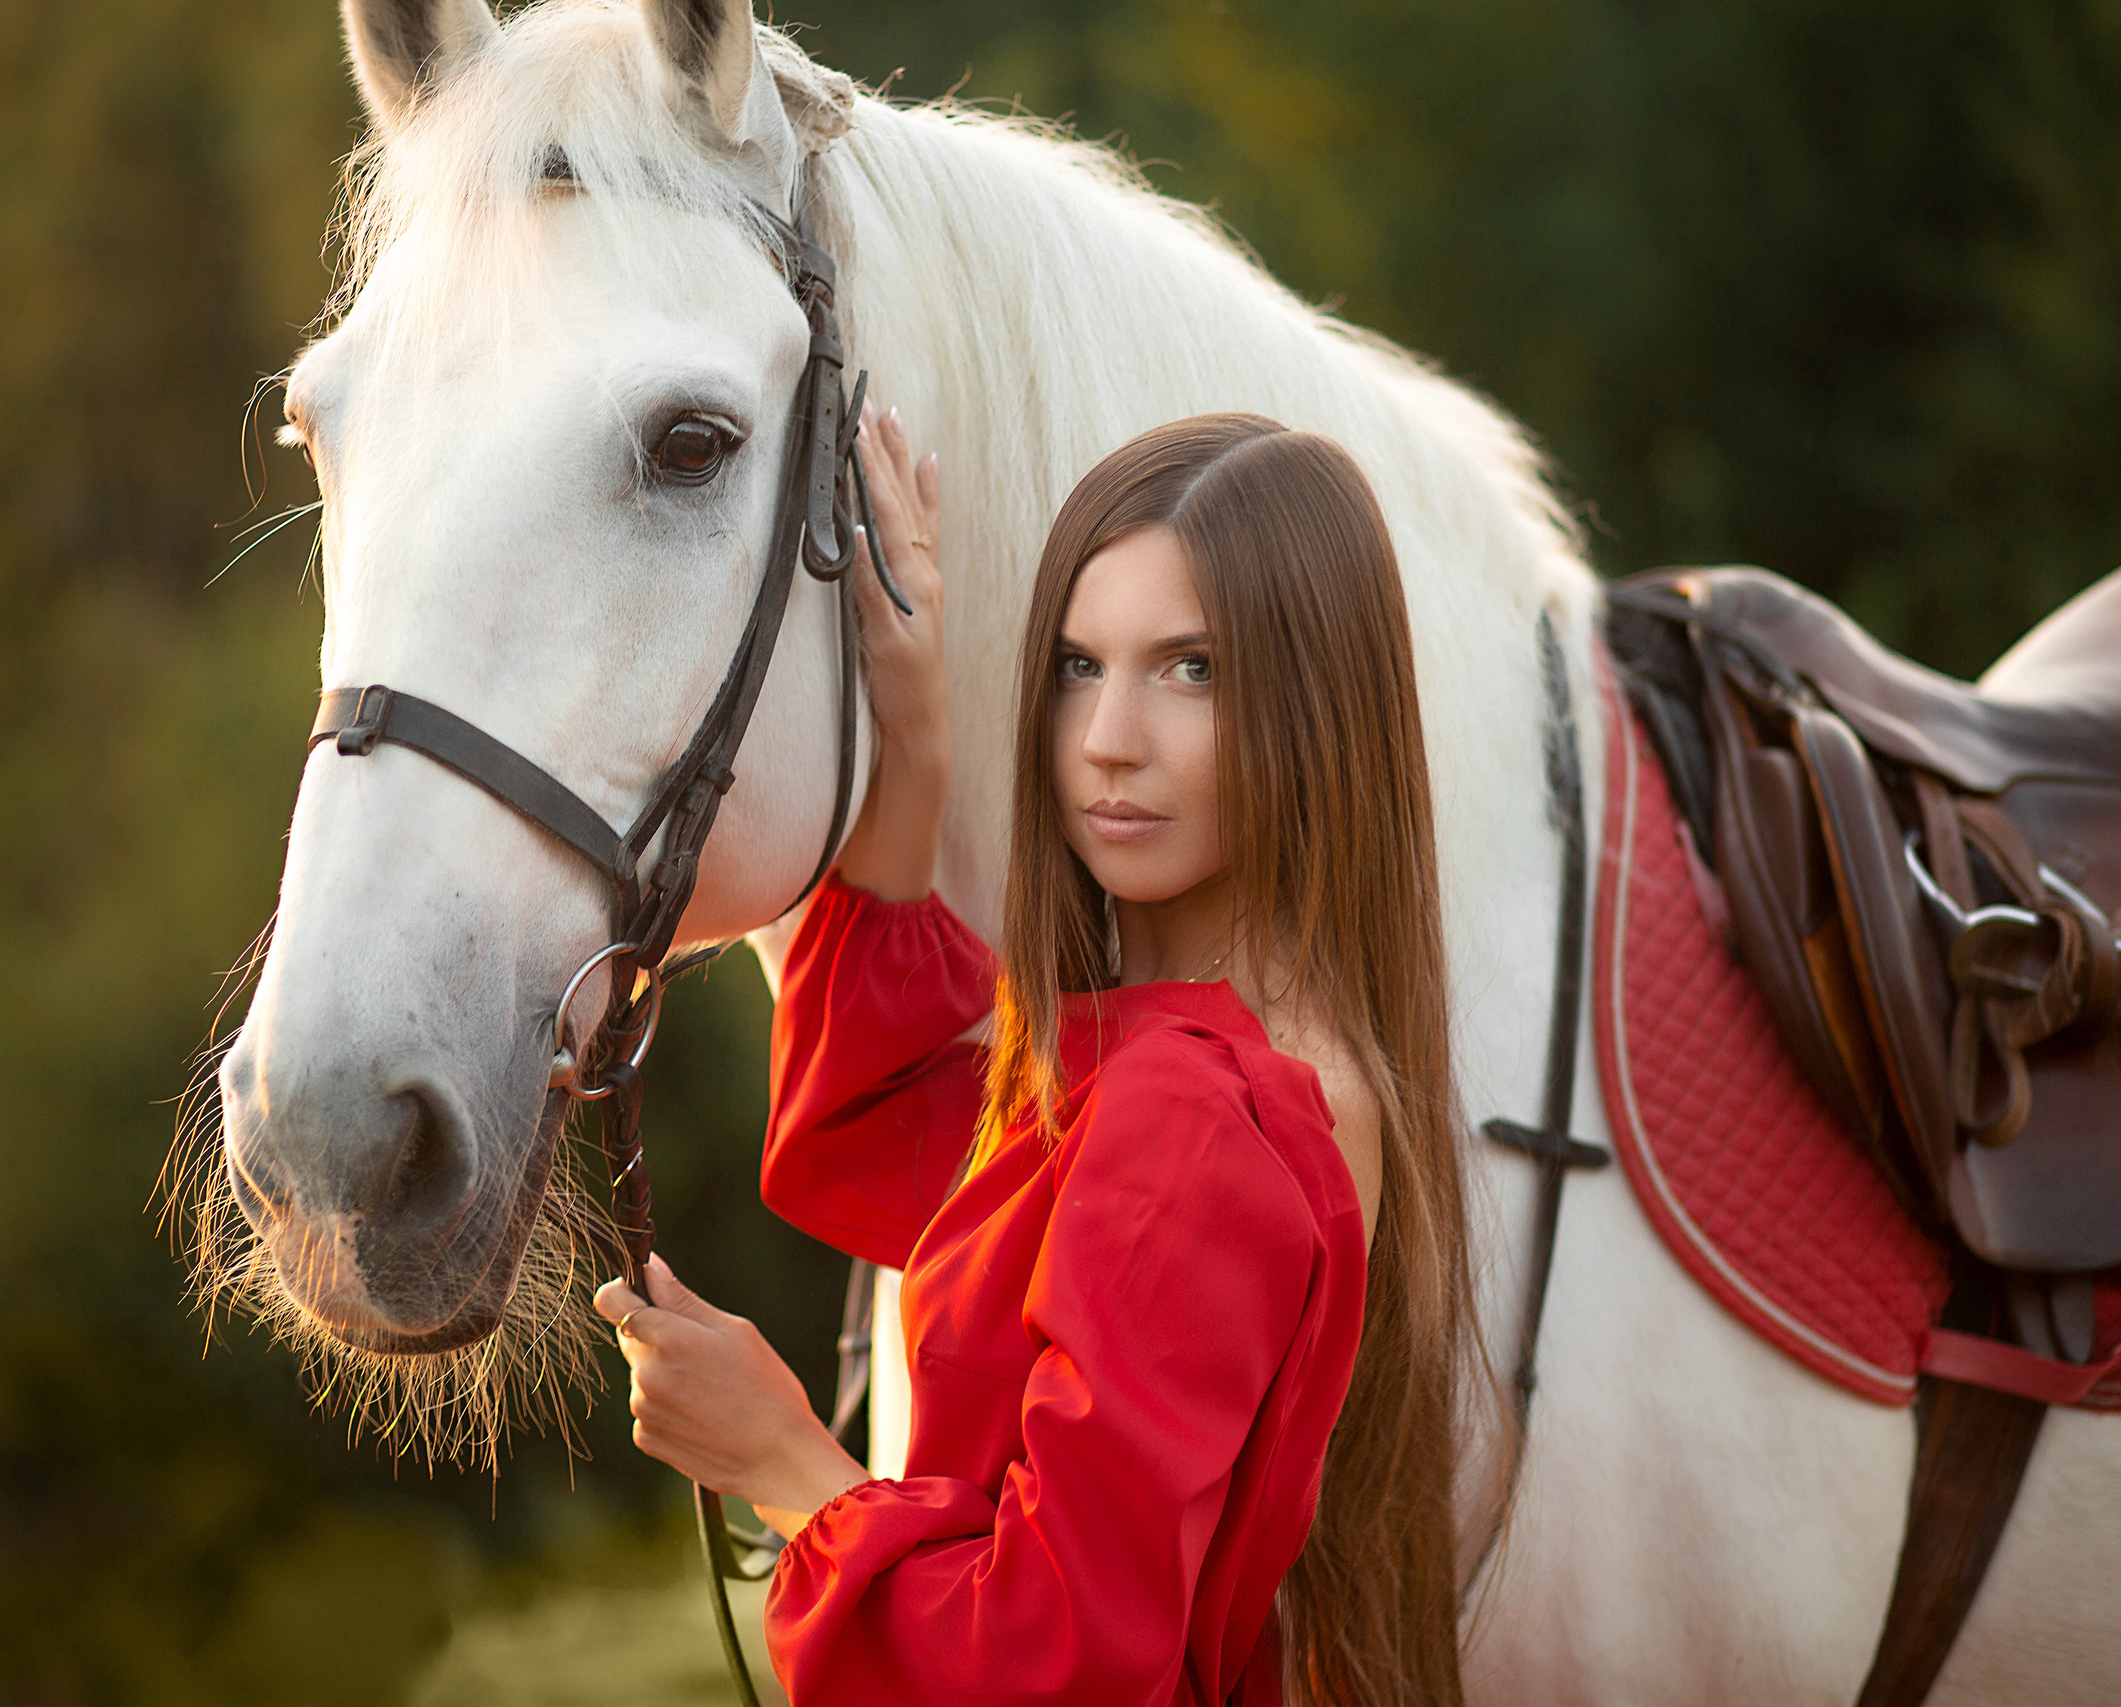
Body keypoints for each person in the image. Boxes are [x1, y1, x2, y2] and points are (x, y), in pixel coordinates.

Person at [596, 408, 1481, 1705]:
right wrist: (917, 742)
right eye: (1079, 665)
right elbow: (899, 1143)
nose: (1108, 739)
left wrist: (784, 1464)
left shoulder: (1193, 1118)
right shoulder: (1249, 1063)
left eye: (1194, 670)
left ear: (1317, 700)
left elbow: (1054, 1660)